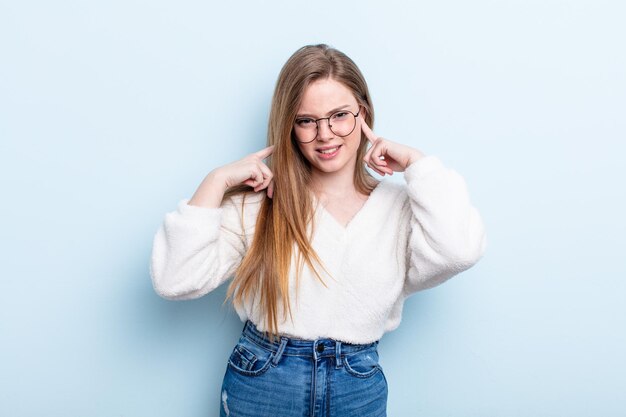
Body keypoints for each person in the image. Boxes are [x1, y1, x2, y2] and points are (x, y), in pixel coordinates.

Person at [150, 44, 486, 417]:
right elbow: (174, 279)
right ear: (289, 127)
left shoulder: (403, 209)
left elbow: (459, 251)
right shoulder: (260, 204)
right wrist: (215, 181)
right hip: (264, 379)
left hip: (356, 383)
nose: (325, 134)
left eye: (339, 115)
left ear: (364, 114)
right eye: (306, 120)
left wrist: (419, 165)